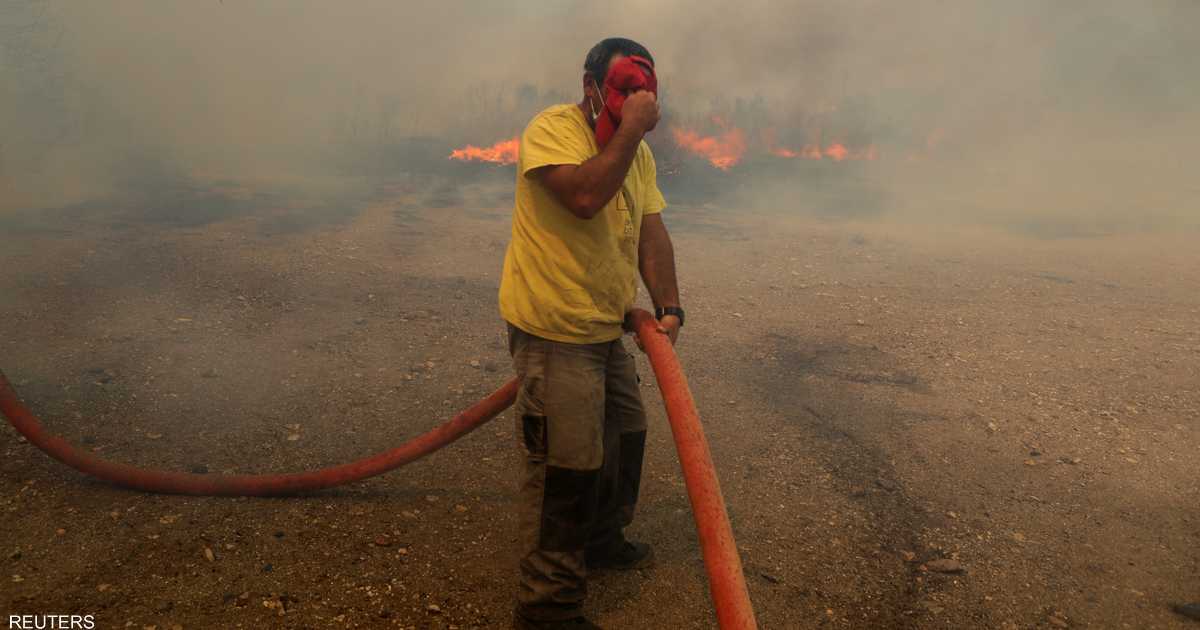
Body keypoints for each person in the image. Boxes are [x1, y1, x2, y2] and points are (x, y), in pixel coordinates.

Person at [498, 37, 683, 630]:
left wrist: (669, 307)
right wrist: (630, 130)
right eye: (627, 89)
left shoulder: (640, 158)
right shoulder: (552, 130)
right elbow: (583, 196)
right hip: (555, 328)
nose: (638, 102)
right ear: (591, 87)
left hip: (606, 324)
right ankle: (548, 603)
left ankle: (601, 541)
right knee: (567, 465)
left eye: (644, 93)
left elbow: (651, 234)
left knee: (627, 435)